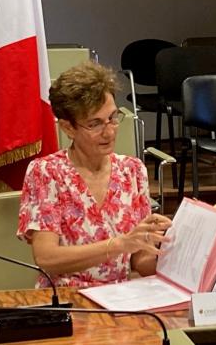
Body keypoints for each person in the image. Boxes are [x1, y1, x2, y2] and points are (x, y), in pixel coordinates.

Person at [17, 62, 171, 287]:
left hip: (119, 298)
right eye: (95, 124)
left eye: (112, 118)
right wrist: (119, 245)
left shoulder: (132, 170)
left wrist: (179, 261)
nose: (108, 132)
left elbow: (139, 258)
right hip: (67, 299)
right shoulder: (47, 172)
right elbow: (46, 258)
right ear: (68, 128)